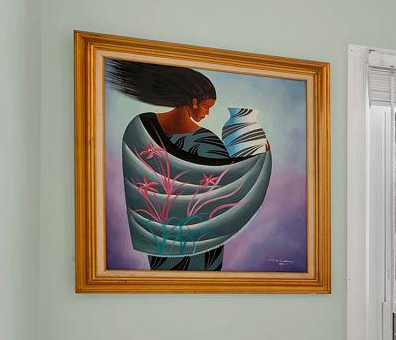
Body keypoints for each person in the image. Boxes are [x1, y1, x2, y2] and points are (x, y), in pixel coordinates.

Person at [107, 59, 272, 272]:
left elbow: (218, 181)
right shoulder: (150, 131)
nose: (207, 114)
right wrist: (260, 159)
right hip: (178, 239)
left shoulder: (141, 127)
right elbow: (227, 181)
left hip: (177, 240)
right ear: (193, 102)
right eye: (206, 106)